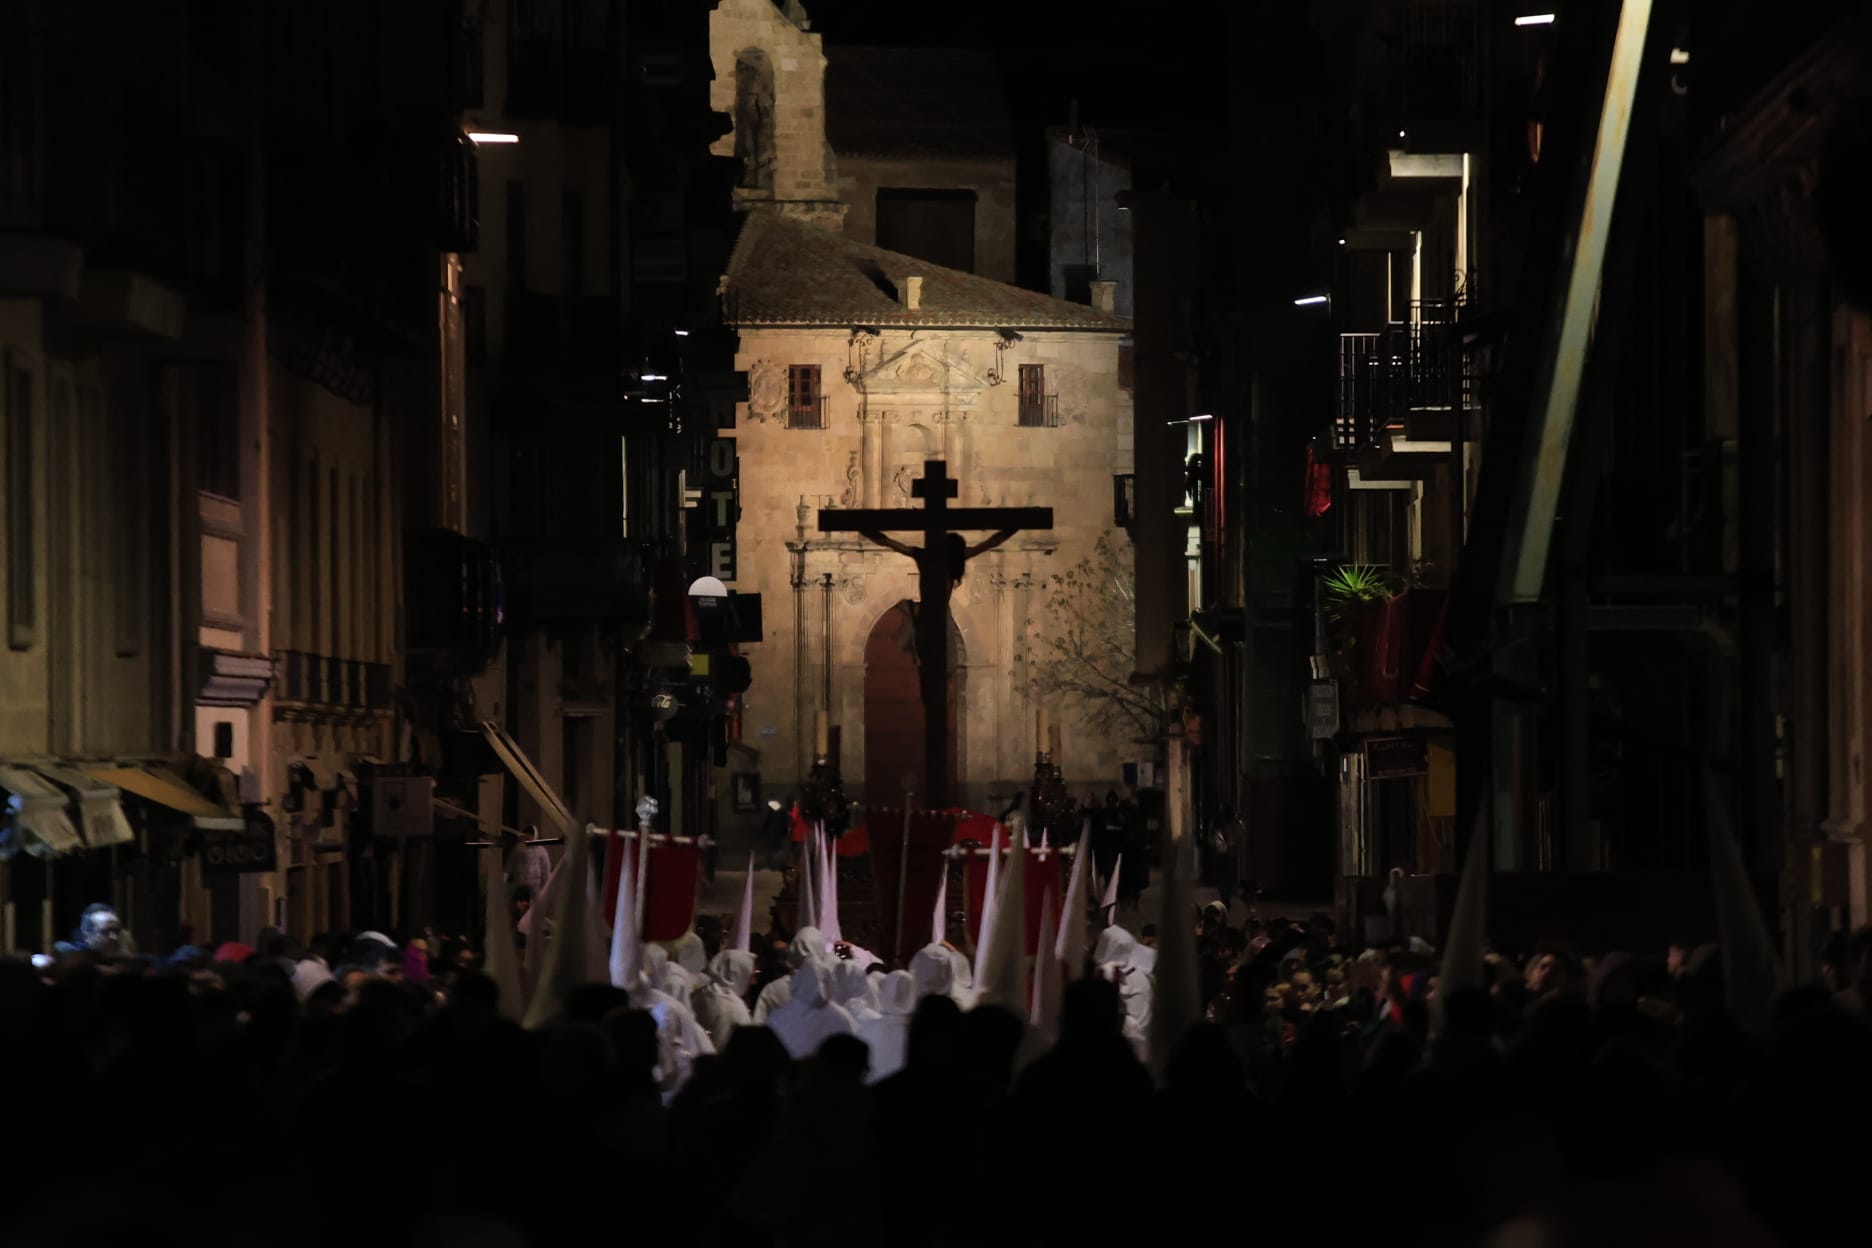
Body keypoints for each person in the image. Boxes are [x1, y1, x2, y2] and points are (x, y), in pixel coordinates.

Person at [761, 797, 791, 869]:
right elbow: (785, 822)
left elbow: (767, 822)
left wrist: (763, 831)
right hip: (779, 832)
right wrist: (785, 831)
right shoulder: (782, 810)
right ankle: (782, 865)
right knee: (780, 849)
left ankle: (769, 865)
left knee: (770, 849)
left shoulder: (770, 810)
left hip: (772, 832)